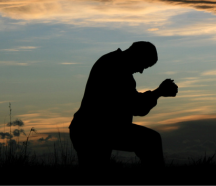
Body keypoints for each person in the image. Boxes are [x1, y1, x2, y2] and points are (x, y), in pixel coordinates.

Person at [69, 41, 178, 170]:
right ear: (137, 55)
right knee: (151, 140)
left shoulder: (113, 63)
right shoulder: (116, 68)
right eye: (144, 64)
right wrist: (158, 92)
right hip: (94, 130)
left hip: (92, 129)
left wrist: (157, 93)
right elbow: (136, 106)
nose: (141, 70)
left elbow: (134, 104)